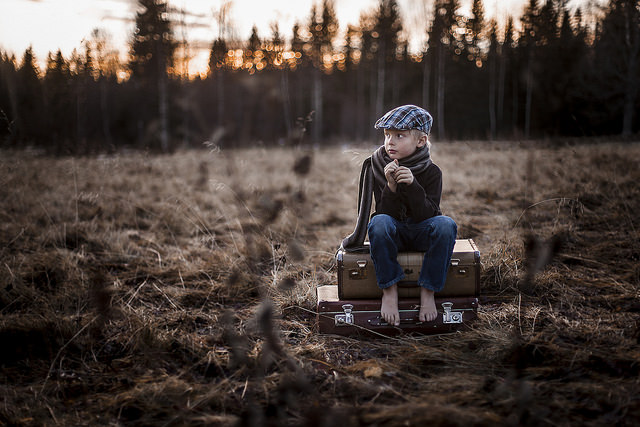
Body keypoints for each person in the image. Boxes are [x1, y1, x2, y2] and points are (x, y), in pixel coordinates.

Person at [365, 105, 457, 326]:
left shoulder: (432, 172)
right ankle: (389, 291)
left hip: (420, 231)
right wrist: (391, 186)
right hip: (394, 232)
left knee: (446, 225)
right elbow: (384, 214)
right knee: (377, 223)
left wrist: (414, 185)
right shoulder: (380, 166)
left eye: (399, 136)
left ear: (421, 141)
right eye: (387, 135)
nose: (390, 142)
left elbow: (429, 214)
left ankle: (428, 292)